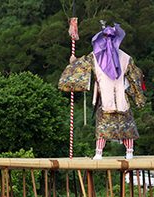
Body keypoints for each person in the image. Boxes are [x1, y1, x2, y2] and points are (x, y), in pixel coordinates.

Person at [58, 23, 146, 159]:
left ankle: (120, 152)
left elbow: (134, 77)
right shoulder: (117, 57)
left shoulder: (106, 57)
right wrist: (74, 62)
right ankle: (111, 152)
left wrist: (74, 63)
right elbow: (135, 78)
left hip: (114, 98)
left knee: (119, 127)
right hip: (112, 99)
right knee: (115, 127)